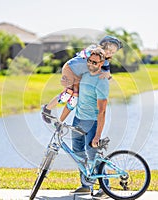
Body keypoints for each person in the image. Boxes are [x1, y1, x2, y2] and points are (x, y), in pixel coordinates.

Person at [42, 35, 123, 123]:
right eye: (109, 50)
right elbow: (81, 54)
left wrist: (107, 75)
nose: (109, 53)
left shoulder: (105, 62)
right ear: (103, 45)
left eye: (112, 53)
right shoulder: (92, 49)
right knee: (67, 94)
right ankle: (46, 109)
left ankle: (60, 122)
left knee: (74, 99)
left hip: (78, 76)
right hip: (70, 68)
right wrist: (93, 52)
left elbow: (107, 74)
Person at [69, 49, 110, 198]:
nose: (91, 64)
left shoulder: (102, 81)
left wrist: (97, 136)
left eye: (94, 62)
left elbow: (102, 112)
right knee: (78, 152)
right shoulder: (84, 74)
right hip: (78, 119)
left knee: (93, 154)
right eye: (89, 61)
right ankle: (86, 185)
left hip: (92, 122)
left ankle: (105, 188)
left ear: (101, 64)